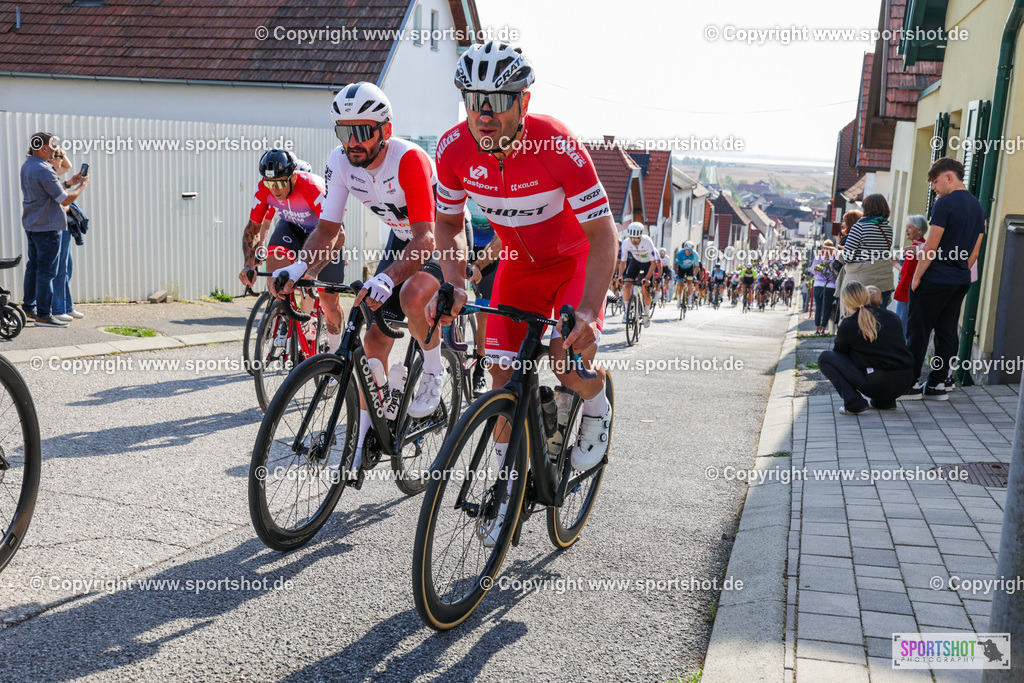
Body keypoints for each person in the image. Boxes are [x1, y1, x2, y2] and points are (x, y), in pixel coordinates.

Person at [429, 41, 618, 545]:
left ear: (523, 103)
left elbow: (603, 236)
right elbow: (447, 224)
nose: (483, 114)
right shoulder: (452, 150)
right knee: (500, 379)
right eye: (473, 101)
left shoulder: (556, 144)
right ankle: (508, 489)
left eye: (496, 100)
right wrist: (453, 284)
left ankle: (596, 402)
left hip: (572, 263)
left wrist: (588, 312)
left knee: (563, 360)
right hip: (517, 266)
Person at [271, 82, 444, 481]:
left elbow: (426, 238)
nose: (352, 142)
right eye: (344, 131)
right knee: (370, 343)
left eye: (362, 131)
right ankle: (366, 433)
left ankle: (435, 370)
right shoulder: (340, 161)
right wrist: (300, 269)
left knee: (413, 295)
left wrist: (387, 277)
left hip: (436, 238)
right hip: (402, 238)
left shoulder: (409, 160)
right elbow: (327, 228)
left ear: (384, 129)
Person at [240, 148, 346, 350]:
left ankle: (335, 352)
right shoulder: (264, 188)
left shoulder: (312, 188)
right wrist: (248, 264)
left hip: (323, 232)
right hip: (292, 228)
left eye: (280, 182)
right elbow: (253, 228)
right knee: (274, 265)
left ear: (294, 176)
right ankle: (284, 316)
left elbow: (338, 234)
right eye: (270, 183)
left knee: (329, 302)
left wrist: (313, 270)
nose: (275, 189)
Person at [900, 158, 985, 401]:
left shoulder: (944, 204)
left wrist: (917, 277)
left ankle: (910, 384)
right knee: (948, 332)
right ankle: (938, 384)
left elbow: (932, 245)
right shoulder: (978, 207)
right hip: (960, 279)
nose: (934, 187)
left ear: (949, 177)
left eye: (935, 182)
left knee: (918, 331)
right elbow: (975, 252)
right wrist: (958, 270)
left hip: (935, 278)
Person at [20, 132, 90, 327]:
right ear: (43, 148)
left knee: (33, 268)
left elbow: (49, 191)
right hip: (48, 227)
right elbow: (65, 200)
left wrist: (71, 182)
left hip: (33, 225)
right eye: (53, 147)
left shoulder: (28, 166)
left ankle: (28, 309)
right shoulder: (44, 169)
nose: (56, 150)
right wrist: (82, 185)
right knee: (47, 272)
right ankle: (43, 314)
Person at [818, 281, 914, 415]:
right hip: (905, 380)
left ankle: (853, 403)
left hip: (878, 383)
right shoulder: (892, 316)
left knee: (825, 358)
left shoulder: (849, 324)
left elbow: (839, 353)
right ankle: (885, 402)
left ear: (845, 302)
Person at [48, 148, 86, 322]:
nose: (60, 159)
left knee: (66, 267)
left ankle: (67, 306)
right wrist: (81, 185)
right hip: (55, 224)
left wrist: (59, 151)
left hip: (63, 224)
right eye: (57, 156)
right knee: (60, 269)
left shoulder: (53, 173)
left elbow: (68, 165)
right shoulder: (46, 173)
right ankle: (58, 308)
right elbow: (64, 199)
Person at [837, 195, 895, 307]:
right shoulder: (887, 228)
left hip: (861, 283)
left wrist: (839, 254)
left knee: (858, 320)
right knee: (877, 320)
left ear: (866, 208)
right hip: (884, 282)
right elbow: (878, 252)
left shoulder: (859, 227)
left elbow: (847, 258)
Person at [893, 215, 927, 340]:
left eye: (910, 227)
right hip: (908, 291)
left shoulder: (917, 248)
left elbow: (910, 273)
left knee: (902, 326)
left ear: (919, 230)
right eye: (907, 227)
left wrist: (896, 264)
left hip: (908, 292)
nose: (906, 230)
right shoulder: (918, 246)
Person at [617, 223, 659, 327]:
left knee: (646, 290)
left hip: (648, 264)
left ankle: (646, 314)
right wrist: (620, 276)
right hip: (635, 262)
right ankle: (626, 313)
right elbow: (623, 262)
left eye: (637, 239)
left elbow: (653, 263)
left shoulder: (647, 241)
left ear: (641, 236)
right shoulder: (626, 243)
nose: (634, 241)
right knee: (627, 286)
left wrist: (647, 278)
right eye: (632, 238)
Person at [811, 240, 837, 334]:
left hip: (818, 284)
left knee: (818, 308)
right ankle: (823, 330)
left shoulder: (819, 257)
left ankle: (816, 329)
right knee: (827, 308)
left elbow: (813, 270)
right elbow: (836, 272)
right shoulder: (835, 258)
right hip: (831, 285)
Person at [674, 241, 699, 308]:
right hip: (681, 268)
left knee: (690, 283)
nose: (689, 252)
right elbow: (676, 264)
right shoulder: (680, 254)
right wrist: (676, 274)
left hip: (689, 269)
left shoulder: (695, 254)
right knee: (680, 284)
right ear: (684, 249)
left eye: (690, 250)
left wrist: (694, 275)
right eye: (687, 250)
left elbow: (696, 266)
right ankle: (679, 299)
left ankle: (690, 300)